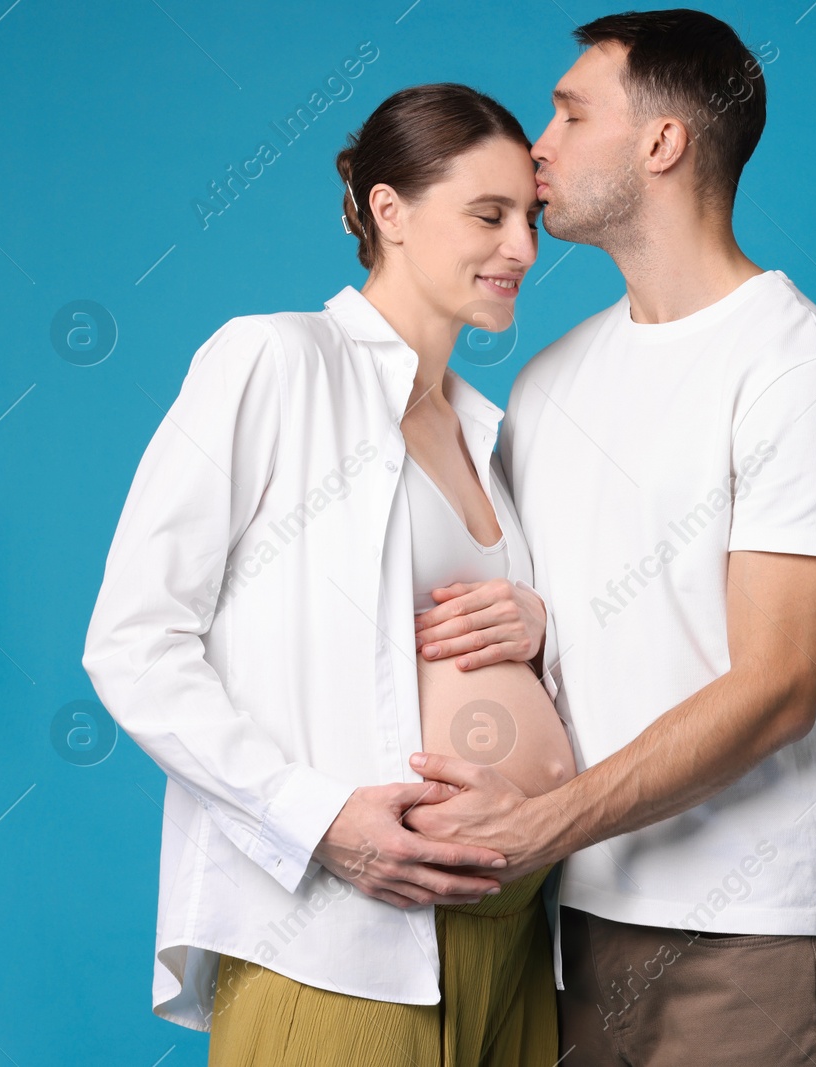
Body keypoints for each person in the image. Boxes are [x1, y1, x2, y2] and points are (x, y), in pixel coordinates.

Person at [402, 10, 816, 1065]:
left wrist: (536, 826)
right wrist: (536, 616)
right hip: (575, 926)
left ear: (663, 144)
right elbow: (603, 610)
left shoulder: (792, 370)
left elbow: (776, 685)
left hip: (750, 940)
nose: (538, 141)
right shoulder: (548, 378)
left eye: (572, 111)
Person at [81, 83, 574, 1065]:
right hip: (343, 936)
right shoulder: (273, 362)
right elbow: (132, 644)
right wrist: (322, 820)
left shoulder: (494, 432)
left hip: (514, 939)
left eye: (530, 215)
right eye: (488, 214)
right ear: (388, 210)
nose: (522, 247)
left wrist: (541, 625)